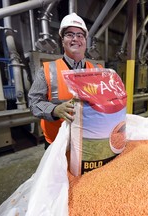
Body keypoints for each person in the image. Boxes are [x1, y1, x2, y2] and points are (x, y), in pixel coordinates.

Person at [28, 13, 102, 149]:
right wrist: (55, 110)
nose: (75, 39)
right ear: (62, 41)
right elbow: (34, 103)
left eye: (80, 35)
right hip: (58, 143)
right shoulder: (46, 70)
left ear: (85, 41)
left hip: (89, 140)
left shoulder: (98, 70)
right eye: (70, 34)